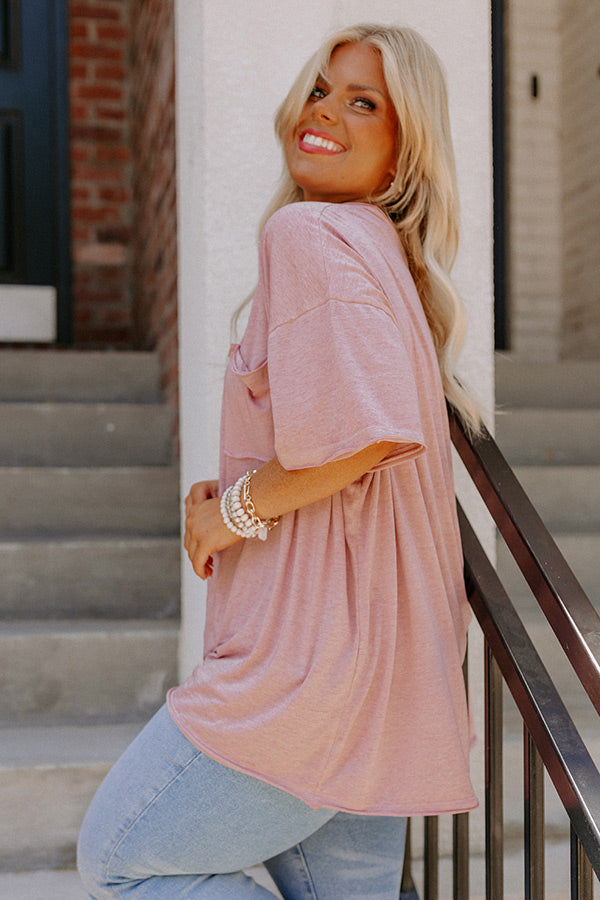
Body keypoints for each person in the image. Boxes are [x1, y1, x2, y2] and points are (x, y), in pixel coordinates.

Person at [78, 22, 484, 900]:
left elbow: (363, 436)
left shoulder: (311, 234)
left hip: (309, 672)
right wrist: (241, 489)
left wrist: (231, 513)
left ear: (405, 148)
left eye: (364, 103)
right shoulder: (387, 261)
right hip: (388, 674)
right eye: (321, 90)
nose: (324, 112)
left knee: (119, 861)